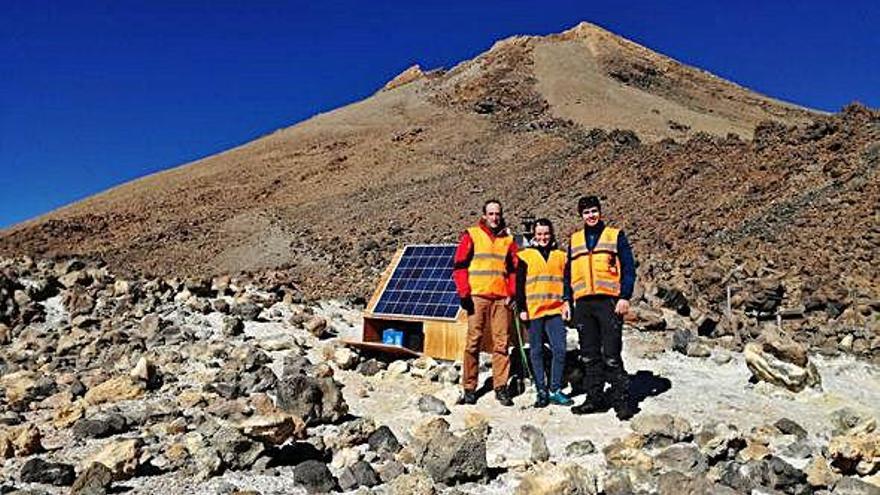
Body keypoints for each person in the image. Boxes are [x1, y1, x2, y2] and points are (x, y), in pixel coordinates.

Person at [566, 195, 637, 420]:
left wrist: (625, 296)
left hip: (609, 303)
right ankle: (594, 399)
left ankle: (621, 401)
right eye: (586, 212)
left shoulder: (614, 236)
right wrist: (567, 300)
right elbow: (567, 274)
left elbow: (628, 268)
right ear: (581, 215)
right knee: (589, 355)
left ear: (600, 211)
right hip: (583, 305)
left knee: (612, 355)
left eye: (594, 211)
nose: (591, 215)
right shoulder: (575, 240)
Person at [453, 199, 518, 406]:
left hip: (500, 298)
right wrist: (464, 293)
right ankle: (470, 388)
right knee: (473, 342)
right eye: (491, 214)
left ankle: (501, 386)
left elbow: (514, 269)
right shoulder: (472, 235)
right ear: (484, 215)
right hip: (477, 297)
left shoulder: (508, 239)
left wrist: (512, 292)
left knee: (501, 344)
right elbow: (460, 265)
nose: (494, 217)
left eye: (497, 213)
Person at [515, 218, 574, 408]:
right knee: (537, 351)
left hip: (555, 310)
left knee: (559, 349)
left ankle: (555, 389)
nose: (543, 237)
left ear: (552, 234)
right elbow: (519, 285)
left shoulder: (561, 256)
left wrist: (566, 302)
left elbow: (567, 282)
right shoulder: (525, 256)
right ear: (533, 235)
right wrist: (522, 308)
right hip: (534, 311)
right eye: (539, 234)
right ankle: (541, 389)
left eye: (546, 233)